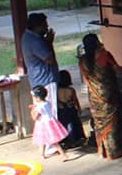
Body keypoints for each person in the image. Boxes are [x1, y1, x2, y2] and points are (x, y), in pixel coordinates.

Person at [78, 34, 122, 160]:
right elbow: (118, 71)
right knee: (114, 123)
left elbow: (86, 79)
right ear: (97, 42)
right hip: (109, 95)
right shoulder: (104, 55)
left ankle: (103, 151)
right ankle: (115, 152)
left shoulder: (82, 60)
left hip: (94, 97)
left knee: (99, 124)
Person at [21, 13, 59, 155]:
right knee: (50, 114)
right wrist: (49, 42)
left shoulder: (27, 37)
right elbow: (50, 59)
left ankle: (46, 143)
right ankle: (51, 145)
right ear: (38, 26)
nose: (47, 27)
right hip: (46, 81)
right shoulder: (36, 42)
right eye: (44, 25)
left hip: (37, 79)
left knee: (43, 115)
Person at [30, 86, 68, 161]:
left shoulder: (39, 107)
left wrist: (32, 110)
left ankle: (63, 155)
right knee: (43, 140)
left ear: (37, 97)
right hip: (51, 123)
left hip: (44, 125)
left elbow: (35, 118)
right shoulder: (47, 102)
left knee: (52, 141)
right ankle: (42, 154)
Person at [57, 70, 86, 147]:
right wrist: (79, 109)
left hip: (61, 111)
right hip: (71, 109)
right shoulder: (71, 90)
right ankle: (74, 140)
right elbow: (75, 100)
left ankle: (66, 141)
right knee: (72, 125)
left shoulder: (57, 91)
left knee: (64, 126)